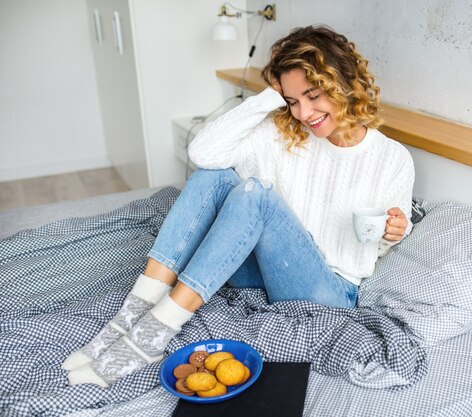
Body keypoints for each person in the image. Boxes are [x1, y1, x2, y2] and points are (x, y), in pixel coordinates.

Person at [64, 25, 415, 387]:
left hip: (327, 289)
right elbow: (203, 154)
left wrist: (395, 231)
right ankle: (133, 313)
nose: (304, 113)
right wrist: (267, 99)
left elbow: (382, 242)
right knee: (212, 178)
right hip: (259, 276)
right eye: (293, 101)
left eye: (313, 95)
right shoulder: (282, 132)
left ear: (342, 83)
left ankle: (156, 330)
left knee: (255, 196)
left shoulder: (391, 158)